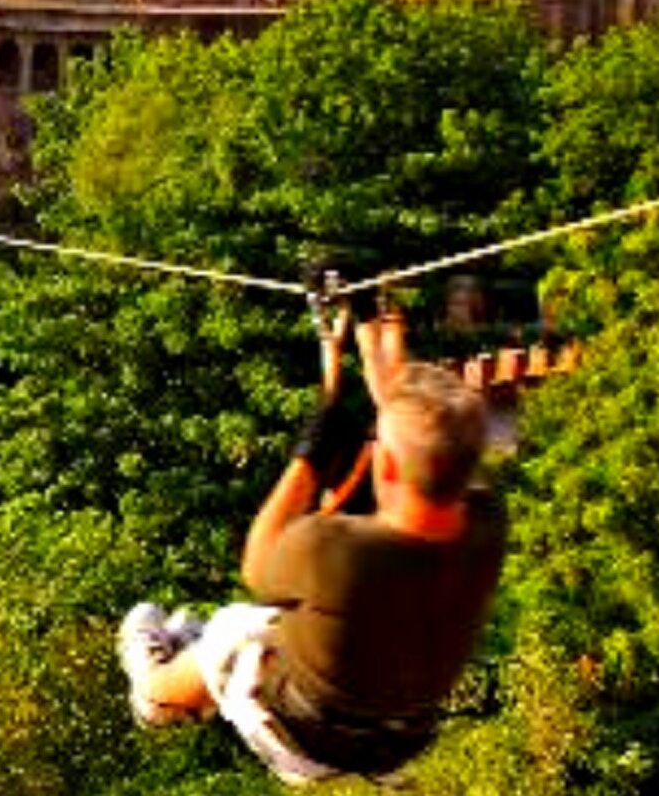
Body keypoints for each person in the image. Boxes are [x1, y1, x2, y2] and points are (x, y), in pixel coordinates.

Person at [117, 309, 506, 783]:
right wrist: (391, 392)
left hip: (302, 733)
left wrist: (311, 451)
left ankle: (157, 695)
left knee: (233, 628)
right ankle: (191, 658)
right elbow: (438, 456)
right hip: (398, 738)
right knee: (276, 627)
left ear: (384, 465)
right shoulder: (487, 525)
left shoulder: (337, 552)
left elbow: (257, 562)